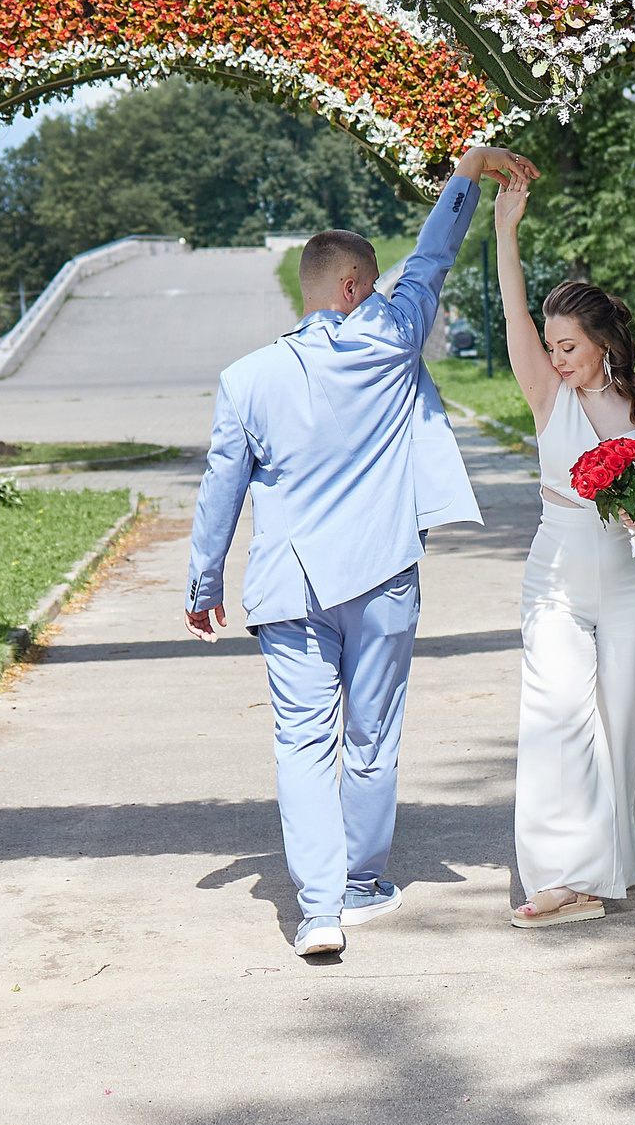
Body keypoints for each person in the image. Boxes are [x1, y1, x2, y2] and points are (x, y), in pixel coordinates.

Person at [188, 145, 538, 958]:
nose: (384, 293)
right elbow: (435, 254)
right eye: (373, 285)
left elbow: (220, 489)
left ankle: (317, 911)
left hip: (290, 588)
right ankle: (359, 881)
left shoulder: (246, 379)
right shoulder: (390, 339)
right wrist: (467, 173)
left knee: (302, 744)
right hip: (382, 579)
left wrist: (205, 580)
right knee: (370, 738)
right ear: (353, 289)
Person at [490, 175, 635, 927]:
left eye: (568, 345)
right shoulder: (548, 396)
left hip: (631, 577)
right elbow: (514, 316)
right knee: (554, 716)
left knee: (632, 723)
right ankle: (561, 877)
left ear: (602, 342)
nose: (556, 356)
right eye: (550, 345)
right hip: (558, 577)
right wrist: (507, 233)